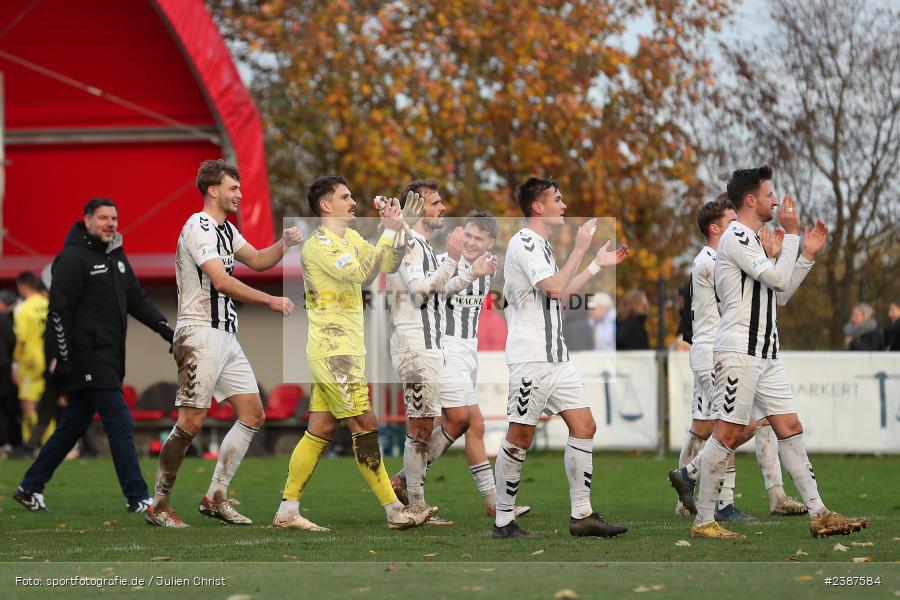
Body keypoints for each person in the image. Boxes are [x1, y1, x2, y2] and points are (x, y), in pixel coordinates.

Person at [685, 165, 868, 539]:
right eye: (770, 194)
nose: (775, 200)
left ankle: (819, 513)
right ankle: (704, 520)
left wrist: (806, 256)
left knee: (790, 427)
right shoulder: (737, 235)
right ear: (751, 199)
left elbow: (779, 294)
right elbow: (779, 280)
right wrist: (794, 236)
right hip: (739, 352)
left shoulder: (752, 238)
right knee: (729, 434)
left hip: (766, 355)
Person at [271, 175, 434, 531]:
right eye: (345, 197)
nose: (353, 202)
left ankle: (288, 508)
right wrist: (389, 231)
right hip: (335, 353)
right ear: (325, 206)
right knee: (366, 425)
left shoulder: (352, 238)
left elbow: (385, 266)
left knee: (320, 430)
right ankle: (395, 511)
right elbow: (362, 273)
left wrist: (396, 226)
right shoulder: (320, 246)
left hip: (341, 350)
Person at [146, 159, 303, 527]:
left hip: (224, 336)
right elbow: (221, 280)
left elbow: (260, 261)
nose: (239, 194)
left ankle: (216, 496)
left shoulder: (227, 230)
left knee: (253, 414)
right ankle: (159, 504)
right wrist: (270, 300)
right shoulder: (198, 226)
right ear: (212, 190)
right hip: (199, 333)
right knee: (191, 422)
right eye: (233, 188)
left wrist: (284, 243)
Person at [13, 198, 174, 513]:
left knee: (72, 426)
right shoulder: (72, 259)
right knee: (119, 420)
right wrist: (63, 359)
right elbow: (58, 313)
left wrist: (166, 330)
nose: (110, 223)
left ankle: (29, 487)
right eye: (103, 218)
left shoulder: (116, 255)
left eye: (114, 218)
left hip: (110, 357)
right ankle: (138, 497)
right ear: (86, 220)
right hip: (87, 358)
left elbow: (137, 299)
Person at [492, 176, 628, 539]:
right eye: (557, 198)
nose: (564, 205)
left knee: (585, 427)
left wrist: (597, 265)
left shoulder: (543, 246)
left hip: (557, 357)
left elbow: (560, 293)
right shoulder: (524, 242)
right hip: (531, 359)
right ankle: (503, 521)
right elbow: (553, 288)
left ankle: (582, 515)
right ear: (538, 207)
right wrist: (581, 247)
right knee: (520, 436)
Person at [669, 194, 805, 522]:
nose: (737, 230)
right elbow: (755, 286)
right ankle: (712, 494)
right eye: (731, 223)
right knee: (735, 425)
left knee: (725, 424)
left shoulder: (718, 258)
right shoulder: (709, 261)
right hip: (716, 353)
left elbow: (768, 292)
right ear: (715, 228)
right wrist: (770, 256)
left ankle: (703, 487)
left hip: (726, 352)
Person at [386, 180, 496, 524]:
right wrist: (452, 259)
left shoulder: (423, 245)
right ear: (416, 208)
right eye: (435, 203)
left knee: (428, 426)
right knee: (420, 428)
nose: (443, 208)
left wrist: (467, 275)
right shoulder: (407, 243)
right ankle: (413, 506)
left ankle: (415, 501)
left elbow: (439, 291)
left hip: (430, 348)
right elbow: (420, 292)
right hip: (415, 348)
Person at [12, 272, 48, 447]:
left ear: (22, 286)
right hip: (48, 357)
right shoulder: (48, 304)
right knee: (48, 403)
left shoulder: (22, 308)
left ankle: (30, 443)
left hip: (30, 359)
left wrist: (15, 365)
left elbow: (21, 339)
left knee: (28, 404)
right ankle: (49, 442)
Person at [0, 290, 19, 456]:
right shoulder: (7, 319)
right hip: (7, 367)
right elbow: (12, 341)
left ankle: (7, 443)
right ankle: (11, 442)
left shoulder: (5, 318)